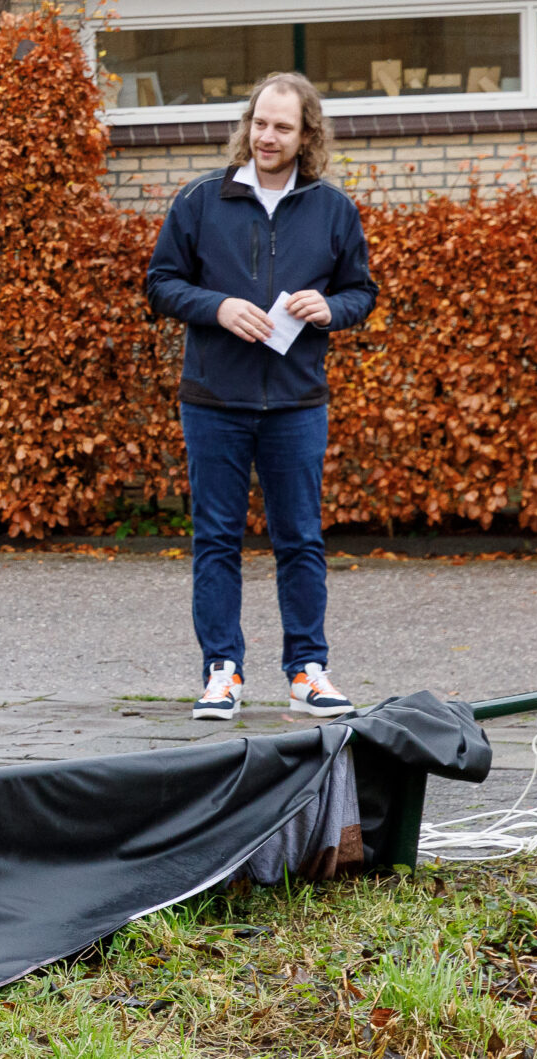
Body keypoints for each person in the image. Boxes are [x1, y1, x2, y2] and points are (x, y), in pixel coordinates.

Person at [143, 71, 374, 725]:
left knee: (300, 538)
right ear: (246, 125)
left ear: (307, 137)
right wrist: (217, 307)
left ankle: (306, 671)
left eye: (282, 127)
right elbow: (160, 283)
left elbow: (362, 292)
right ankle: (222, 671)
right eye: (259, 123)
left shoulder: (333, 209)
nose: (266, 136)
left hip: (298, 402)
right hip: (213, 398)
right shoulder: (200, 201)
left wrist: (331, 306)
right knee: (215, 538)